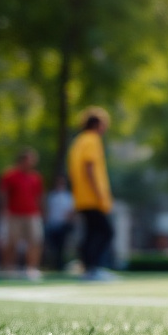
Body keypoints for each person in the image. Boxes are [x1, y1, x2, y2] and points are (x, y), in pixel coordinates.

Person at [67, 107, 115, 281]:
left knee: (91, 233)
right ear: (97, 124)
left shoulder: (78, 142)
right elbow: (89, 168)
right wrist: (100, 194)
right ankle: (93, 268)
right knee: (106, 232)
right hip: (93, 198)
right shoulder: (92, 140)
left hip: (81, 197)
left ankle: (88, 268)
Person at [0, 148, 45, 280]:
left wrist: (42, 211)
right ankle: (9, 268)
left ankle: (32, 269)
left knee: (35, 241)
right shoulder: (9, 175)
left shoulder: (36, 177)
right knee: (11, 242)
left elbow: (39, 196)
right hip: (14, 214)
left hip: (32, 214)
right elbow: (3, 193)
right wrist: (3, 209)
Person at [44, 174, 74, 270]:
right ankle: (53, 264)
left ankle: (61, 264)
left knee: (62, 246)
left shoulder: (68, 196)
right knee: (53, 247)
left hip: (63, 225)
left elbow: (71, 211)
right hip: (52, 224)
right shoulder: (51, 196)